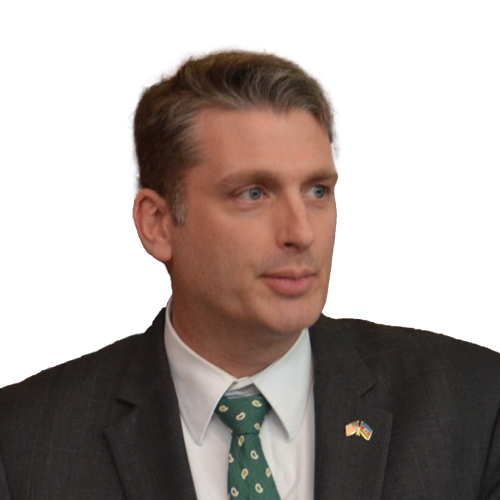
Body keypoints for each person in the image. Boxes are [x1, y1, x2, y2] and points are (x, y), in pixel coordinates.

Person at [0, 51, 499, 500]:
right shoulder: (24, 442)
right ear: (157, 224)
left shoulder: (474, 404)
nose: (301, 232)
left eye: (317, 191)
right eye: (253, 194)